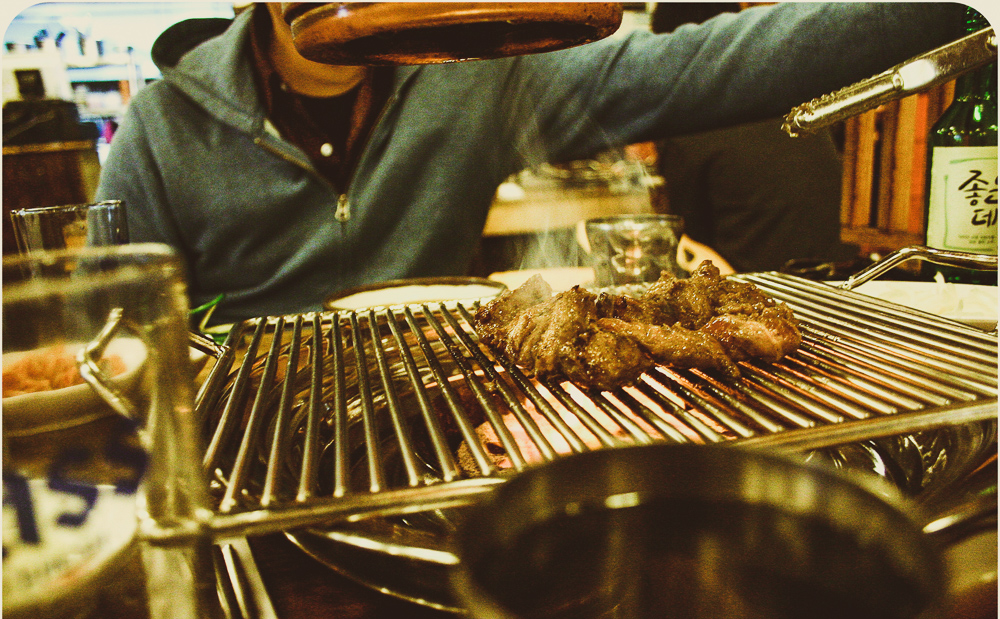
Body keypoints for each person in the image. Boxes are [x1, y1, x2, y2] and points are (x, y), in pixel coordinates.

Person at [93, 2, 967, 324]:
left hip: (431, 399)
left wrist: (946, 9)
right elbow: (117, 328)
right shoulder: (163, 125)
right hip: (250, 424)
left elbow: (707, 64)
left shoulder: (471, 74)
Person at [650, 2, 854, 273]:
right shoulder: (786, 99)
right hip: (842, 277)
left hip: (763, 286)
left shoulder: (692, 121)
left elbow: (684, 238)